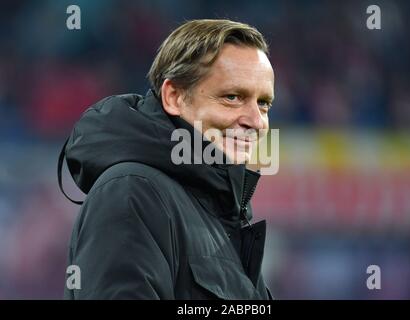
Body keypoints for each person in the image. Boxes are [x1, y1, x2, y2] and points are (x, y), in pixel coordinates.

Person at [60, 19, 275, 299]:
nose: (256, 122)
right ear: (174, 97)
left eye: (263, 103)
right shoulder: (132, 192)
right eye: (232, 97)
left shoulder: (217, 210)